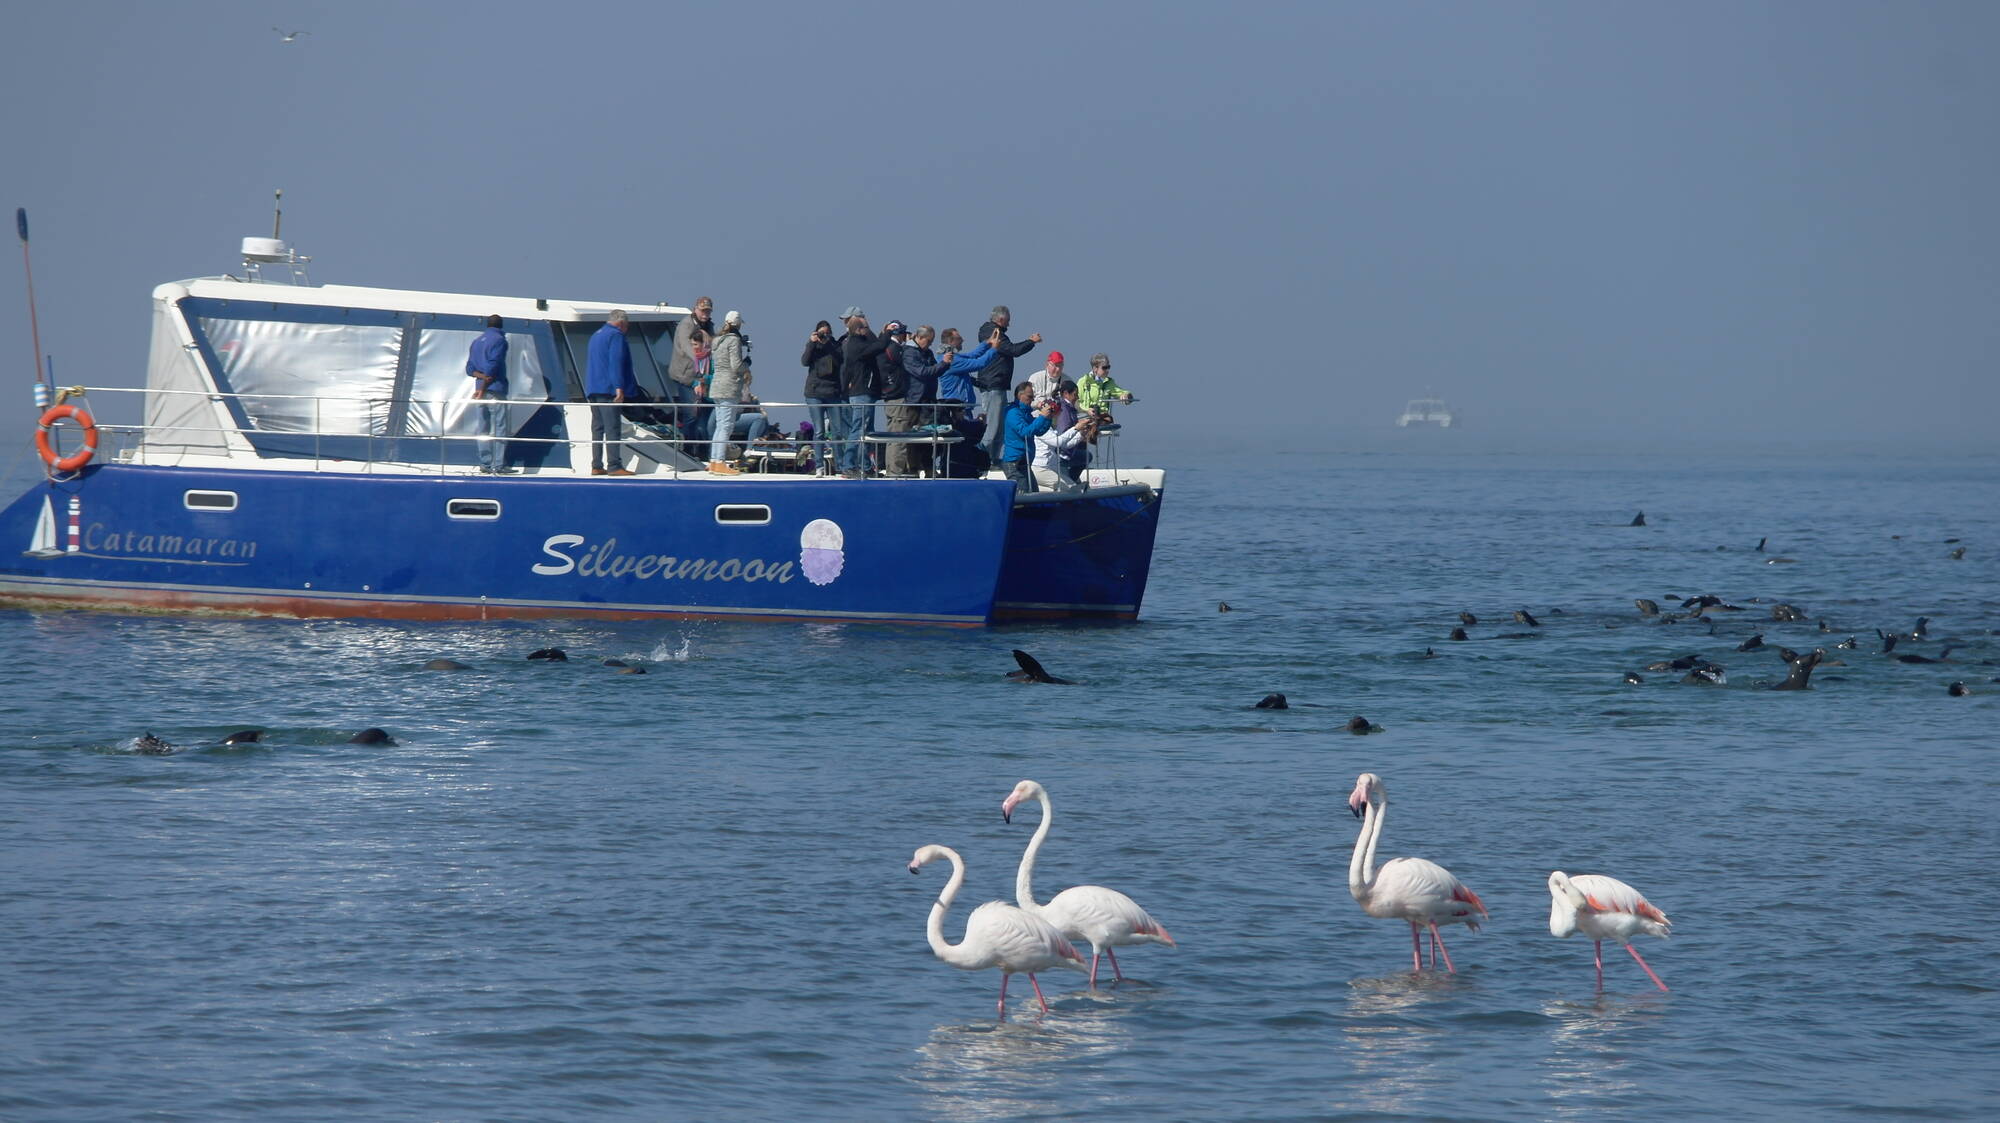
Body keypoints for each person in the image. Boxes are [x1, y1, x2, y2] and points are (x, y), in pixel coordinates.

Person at [974, 305, 1042, 466]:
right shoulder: (992, 332)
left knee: (1000, 426)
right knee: (993, 425)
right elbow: (1013, 350)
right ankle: (981, 459)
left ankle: (992, 459)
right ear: (1001, 319)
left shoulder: (994, 331)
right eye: (1008, 321)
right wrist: (1031, 341)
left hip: (998, 385)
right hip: (992, 385)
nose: (1009, 325)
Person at [837, 307, 891, 477]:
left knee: (865, 430)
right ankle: (848, 465)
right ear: (859, 330)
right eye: (866, 328)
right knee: (858, 429)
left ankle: (866, 466)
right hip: (862, 392)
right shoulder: (856, 345)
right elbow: (879, 346)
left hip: (861, 392)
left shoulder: (856, 342)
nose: (868, 331)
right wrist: (887, 333)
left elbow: (875, 345)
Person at [585, 310, 638, 475]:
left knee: (598, 428)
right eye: (627, 326)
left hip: (593, 388)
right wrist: (619, 387)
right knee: (612, 428)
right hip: (608, 389)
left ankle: (596, 464)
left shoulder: (596, 335)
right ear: (622, 323)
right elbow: (616, 362)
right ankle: (614, 466)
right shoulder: (616, 336)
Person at [465, 314, 513, 474]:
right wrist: (485, 383)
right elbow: (493, 365)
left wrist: (480, 382)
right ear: (501, 326)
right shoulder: (500, 341)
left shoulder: (476, 341)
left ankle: (485, 463)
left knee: (482, 428)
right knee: (500, 427)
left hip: (480, 391)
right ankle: (499, 465)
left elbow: (469, 369)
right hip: (495, 389)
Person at [707, 310, 749, 474]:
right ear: (738, 324)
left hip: (716, 386)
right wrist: (747, 365)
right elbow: (736, 365)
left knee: (719, 426)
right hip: (728, 387)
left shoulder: (717, 340)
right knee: (726, 426)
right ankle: (720, 462)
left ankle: (713, 460)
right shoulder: (733, 340)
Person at [799, 319, 842, 475]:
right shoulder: (813, 347)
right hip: (814, 392)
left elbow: (839, 360)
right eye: (822, 333)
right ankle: (819, 466)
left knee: (837, 431)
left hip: (833, 393)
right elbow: (804, 361)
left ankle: (840, 465)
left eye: (827, 333)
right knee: (819, 431)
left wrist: (828, 343)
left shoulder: (836, 346)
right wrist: (811, 343)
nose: (824, 335)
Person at [667, 297, 715, 432]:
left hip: (702, 377)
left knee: (703, 414)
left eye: (708, 311)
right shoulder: (686, 325)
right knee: (691, 414)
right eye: (702, 311)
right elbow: (686, 346)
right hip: (685, 376)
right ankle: (686, 448)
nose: (705, 314)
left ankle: (698, 447)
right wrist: (698, 362)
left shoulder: (709, 326)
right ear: (695, 309)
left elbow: (714, 345)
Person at [999, 380, 1052, 493]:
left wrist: (1048, 418)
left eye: (1033, 396)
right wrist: (1042, 416)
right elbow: (1025, 432)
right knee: (1022, 492)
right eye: (1030, 396)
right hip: (1014, 463)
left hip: (1024, 463)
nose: (1032, 399)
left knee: (1034, 491)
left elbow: (1039, 431)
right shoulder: (1013, 412)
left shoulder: (1026, 414)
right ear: (1020, 395)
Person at [1032, 407, 1095, 491]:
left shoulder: (1049, 428)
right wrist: (1076, 428)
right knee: (1071, 488)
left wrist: (1081, 434)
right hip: (1040, 468)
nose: (1057, 416)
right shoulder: (1040, 428)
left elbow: (1066, 445)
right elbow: (1058, 442)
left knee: (1072, 486)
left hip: (1050, 467)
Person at [1077, 352, 1134, 418]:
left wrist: (1127, 396)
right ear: (1095, 368)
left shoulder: (1109, 382)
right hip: (1084, 419)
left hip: (1103, 420)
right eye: (1104, 368)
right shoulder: (1083, 381)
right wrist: (1086, 410)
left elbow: (1122, 393)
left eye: (1108, 367)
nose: (1107, 370)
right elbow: (1075, 402)